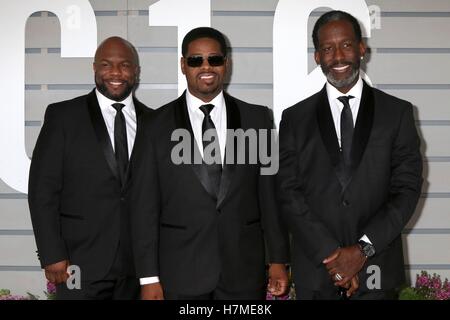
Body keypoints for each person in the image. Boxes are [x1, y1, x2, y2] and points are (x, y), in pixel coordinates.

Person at [129, 27, 290, 300]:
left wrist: (277, 259)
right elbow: (143, 206)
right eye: (196, 60)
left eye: (214, 59)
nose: (206, 67)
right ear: (183, 65)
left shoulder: (258, 119)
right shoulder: (154, 125)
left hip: (242, 274)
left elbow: (269, 197)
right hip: (178, 275)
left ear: (226, 64)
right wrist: (148, 277)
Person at [276, 10, 423, 300]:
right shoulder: (295, 118)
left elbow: (406, 189)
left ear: (361, 49)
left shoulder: (397, 113)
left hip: (376, 265)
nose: (338, 56)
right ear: (317, 57)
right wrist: (333, 256)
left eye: (345, 45)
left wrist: (362, 250)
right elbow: (287, 191)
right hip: (317, 269)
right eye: (327, 48)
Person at [28, 37, 153, 299]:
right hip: (78, 262)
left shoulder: (154, 121)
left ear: (136, 71)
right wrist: (52, 254)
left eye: (125, 65)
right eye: (107, 65)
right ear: (94, 68)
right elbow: (42, 191)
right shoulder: (63, 117)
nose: (116, 73)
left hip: (136, 267)